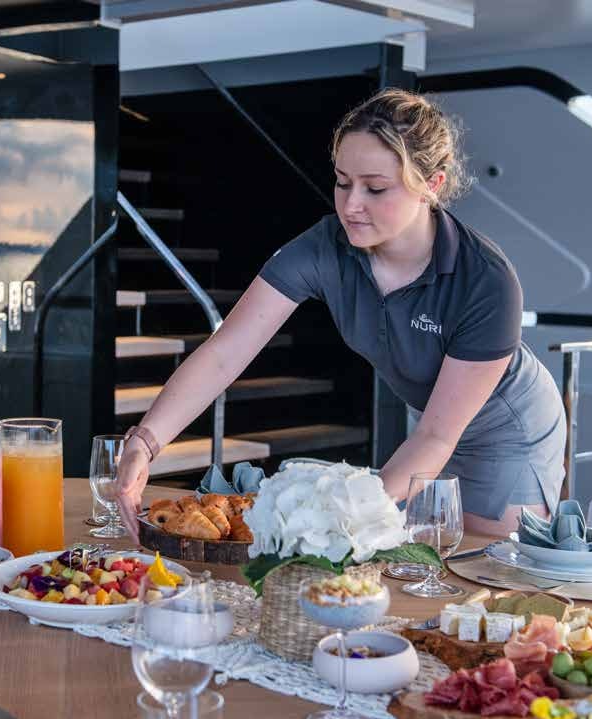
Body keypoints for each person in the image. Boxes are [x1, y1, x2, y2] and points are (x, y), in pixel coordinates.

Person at [116, 88, 566, 539]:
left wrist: (339, 520)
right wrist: (145, 442)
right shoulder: (325, 247)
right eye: (342, 182)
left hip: (507, 428)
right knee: (419, 551)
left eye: (375, 188)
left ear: (432, 185)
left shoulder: (485, 280)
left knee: (484, 560)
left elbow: (437, 437)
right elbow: (225, 354)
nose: (351, 205)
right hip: (429, 421)